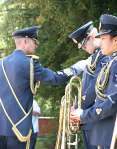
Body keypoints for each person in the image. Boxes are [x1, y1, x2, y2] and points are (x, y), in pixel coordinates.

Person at [0, 26, 70, 149]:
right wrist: (76, 69)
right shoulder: (29, 63)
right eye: (35, 41)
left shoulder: (1, 63)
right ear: (26, 41)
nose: (36, 45)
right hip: (19, 129)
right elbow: (54, 78)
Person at [70, 14, 117, 149]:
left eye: (103, 38)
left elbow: (111, 102)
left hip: (107, 130)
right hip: (102, 130)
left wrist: (83, 114)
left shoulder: (113, 62)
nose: (100, 42)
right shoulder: (111, 61)